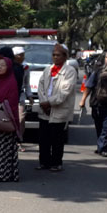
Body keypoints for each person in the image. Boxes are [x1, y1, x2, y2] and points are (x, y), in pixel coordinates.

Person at [36, 43, 79, 171]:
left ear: (65, 57)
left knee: (57, 139)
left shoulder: (69, 71)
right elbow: (40, 86)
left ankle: (56, 163)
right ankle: (44, 162)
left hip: (59, 109)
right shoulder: (48, 69)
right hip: (45, 109)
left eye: (58, 55)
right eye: (54, 55)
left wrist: (49, 103)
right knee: (43, 139)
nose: (55, 57)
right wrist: (43, 102)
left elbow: (65, 91)